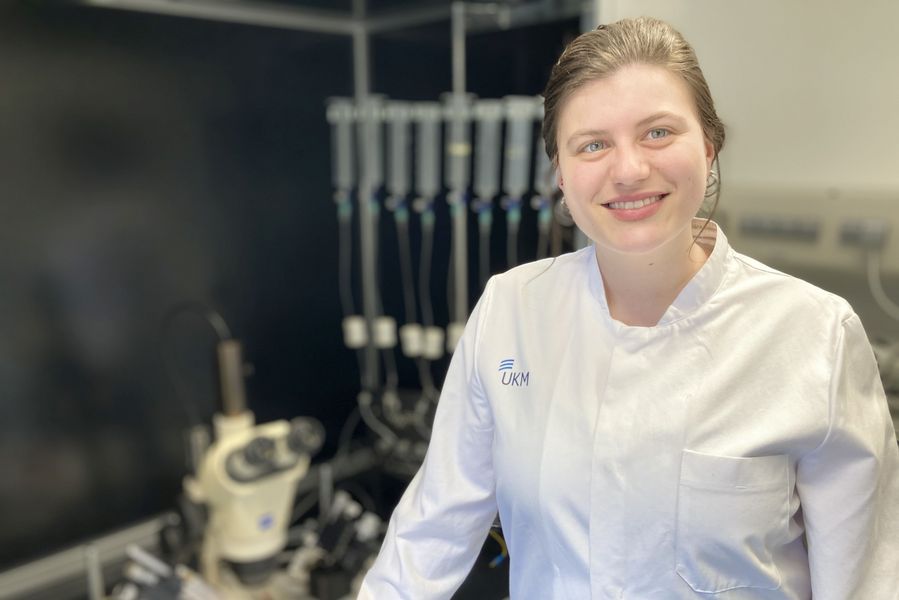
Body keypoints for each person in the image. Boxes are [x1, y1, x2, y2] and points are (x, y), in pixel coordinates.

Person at [358, 17, 899, 599]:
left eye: (658, 133)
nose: (629, 170)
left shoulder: (814, 334)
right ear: (560, 174)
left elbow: (866, 580)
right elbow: (430, 534)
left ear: (708, 146)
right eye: (592, 144)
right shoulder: (512, 309)